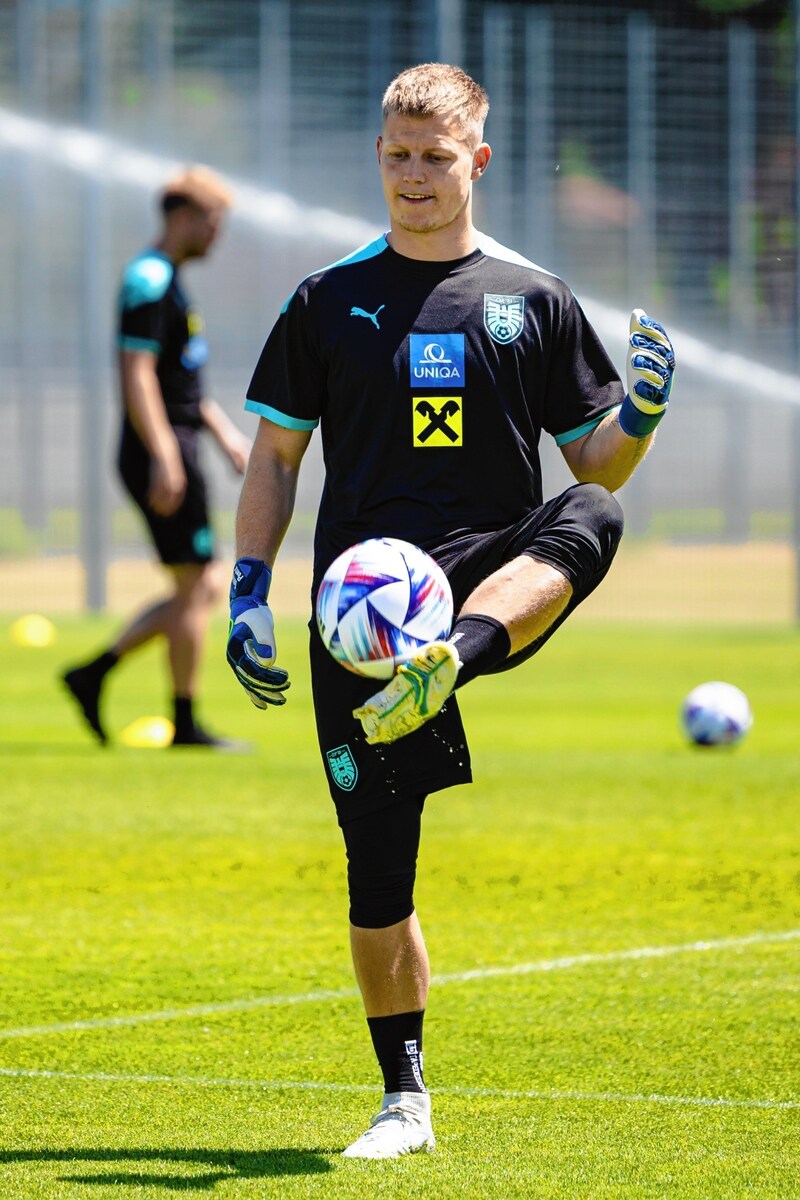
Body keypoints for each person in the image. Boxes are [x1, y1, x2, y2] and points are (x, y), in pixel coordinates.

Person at [226, 64, 675, 1157]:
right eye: (395, 157)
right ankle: (403, 1104)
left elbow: (596, 462)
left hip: (485, 585)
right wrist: (247, 592)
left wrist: (644, 410)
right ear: (377, 157)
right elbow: (274, 459)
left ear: (476, 160)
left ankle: (458, 656)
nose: (413, 176)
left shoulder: (532, 298)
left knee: (591, 511)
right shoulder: (326, 300)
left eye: (434, 158)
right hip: (362, 617)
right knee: (376, 869)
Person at [63, 165, 251, 749]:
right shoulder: (147, 279)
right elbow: (137, 374)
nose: (217, 236)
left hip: (179, 443)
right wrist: (167, 456)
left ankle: (99, 675)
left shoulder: (168, 278)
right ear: (183, 218)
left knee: (198, 584)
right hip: (161, 449)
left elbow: (182, 384)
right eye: (213, 222)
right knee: (199, 584)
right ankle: (177, 717)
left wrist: (221, 435)